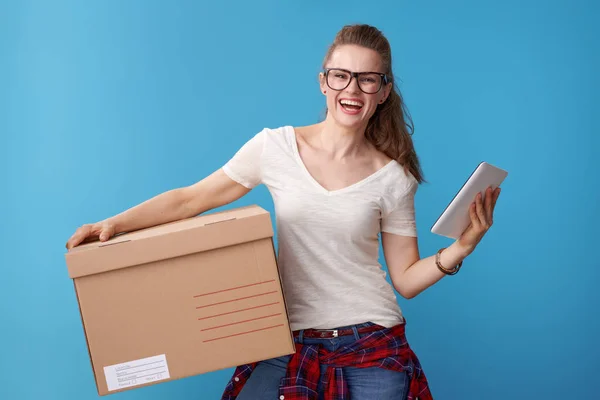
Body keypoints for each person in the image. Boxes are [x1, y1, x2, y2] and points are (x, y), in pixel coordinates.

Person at [66, 24, 501, 400]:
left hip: (370, 341)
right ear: (323, 82)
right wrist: (113, 224)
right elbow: (190, 200)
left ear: (383, 92)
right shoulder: (275, 147)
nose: (352, 89)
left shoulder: (393, 177)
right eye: (341, 76)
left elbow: (405, 280)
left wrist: (461, 247)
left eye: (367, 80)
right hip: (285, 338)